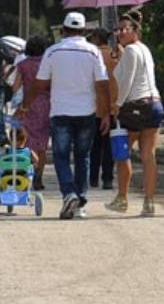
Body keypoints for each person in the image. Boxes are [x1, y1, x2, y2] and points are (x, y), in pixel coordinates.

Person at [33, 12, 111, 220]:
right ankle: (80, 203)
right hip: (86, 111)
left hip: (60, 112)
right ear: (85, 31)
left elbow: (40, 83)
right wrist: (106, 114)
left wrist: (27, 103)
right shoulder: (93, 52)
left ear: (63, 30)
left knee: (60, 156)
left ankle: (68, 193)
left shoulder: (52, 52)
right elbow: (103, 85)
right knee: (82, 157)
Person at [106, 12, 164, 217]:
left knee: (123, 153)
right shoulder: (144, 50)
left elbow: (127, 81)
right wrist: (118, 60)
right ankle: (149, 202)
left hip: (134, 105)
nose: (120, 33)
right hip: (154, 104)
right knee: (148, 155)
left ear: (135, 31)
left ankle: (122, 197)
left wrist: (117, 106)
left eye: (125, 29)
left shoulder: (130, 50)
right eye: (118, 29)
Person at [13, 36, 50, 190]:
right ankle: (39, 176)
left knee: (27, 141)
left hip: (27, 105)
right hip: (47, 105)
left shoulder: (22, 65)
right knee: (43, 144)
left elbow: (15, 87)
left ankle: (27, 173)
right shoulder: (48, 64)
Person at [86, 28, 117, 191]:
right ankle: (108, 178)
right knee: (109, 145)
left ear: (97, 38)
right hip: (112, 107)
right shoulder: (115, 56)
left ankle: (92, 178)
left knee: (94, 145)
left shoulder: (92, 56)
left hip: (95, 106)